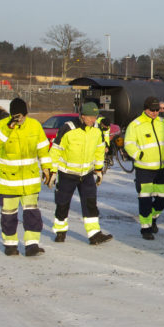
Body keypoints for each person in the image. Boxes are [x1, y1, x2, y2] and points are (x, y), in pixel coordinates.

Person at [0, 98, 52, 256]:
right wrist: (8, 128)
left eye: (22, 115)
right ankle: (10, 245)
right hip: (8, 181)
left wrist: (47, 168)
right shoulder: (0, 126)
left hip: (29, 180)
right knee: (9, 215)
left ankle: (32, 245)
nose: (20, 119)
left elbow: (43, 149)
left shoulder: (34, 126)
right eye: (16, 115)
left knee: (32, 214)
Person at [48, 102, 113, 245]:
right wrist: (52, 171)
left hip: (87, 175)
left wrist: (98, 169)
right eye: (90, 117)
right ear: (82, 116)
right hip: (67, 174)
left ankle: (94, 234)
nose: (93, 120)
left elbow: (99, 150)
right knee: (62, 204)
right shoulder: (68, 128)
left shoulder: (97, 130)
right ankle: (60, 232)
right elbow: (55, 150)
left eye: (95, 117)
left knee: (91, 204)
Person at [123, 96, 164, 240]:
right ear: (145, 109)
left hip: (161, 167)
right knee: (145, 198)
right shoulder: (135, 125)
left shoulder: (163, 123)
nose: (155, 112)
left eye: (157, 109)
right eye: (152, 110)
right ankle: (146, 228)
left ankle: (152, 217)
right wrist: (139, 155)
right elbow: (129, 143)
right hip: (144, 168)